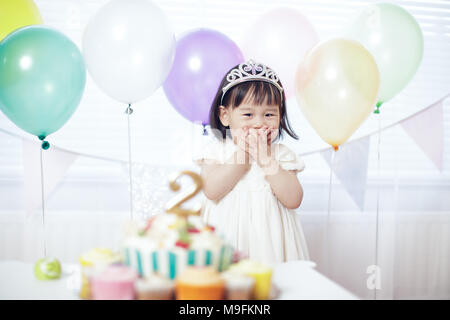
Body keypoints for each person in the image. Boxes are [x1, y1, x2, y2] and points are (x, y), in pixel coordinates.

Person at [193, 60, 310, 265]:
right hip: (226, 239)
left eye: (269, 114)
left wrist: (266, 159)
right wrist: (243, 155)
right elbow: (211, 191)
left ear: (280, 116)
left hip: (270, 242)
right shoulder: (217, 152)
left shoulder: (281, 155)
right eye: (248, 114)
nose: (259, 122)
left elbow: (293, 199)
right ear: (225, 116)